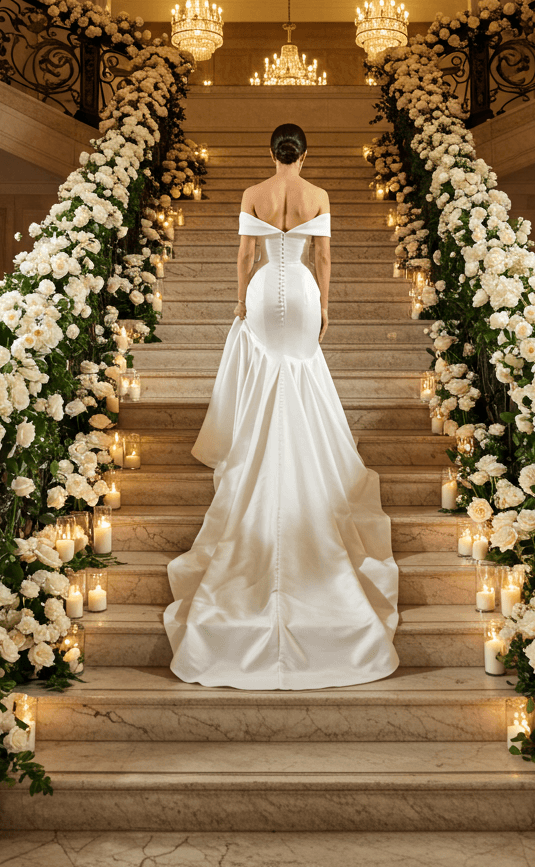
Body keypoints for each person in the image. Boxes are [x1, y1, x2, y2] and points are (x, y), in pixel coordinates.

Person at [163, 122, 400, 690]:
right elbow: (321, 259)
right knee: (300, 371)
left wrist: (241, 300)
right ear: (305, 152)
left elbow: (246, 256)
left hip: (267, 288)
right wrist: (324, 309)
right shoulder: (318, 195)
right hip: (302, 293)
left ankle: (259, 448)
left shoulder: (253, 194)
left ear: (271, 153)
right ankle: (303, 456)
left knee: (268, 372)